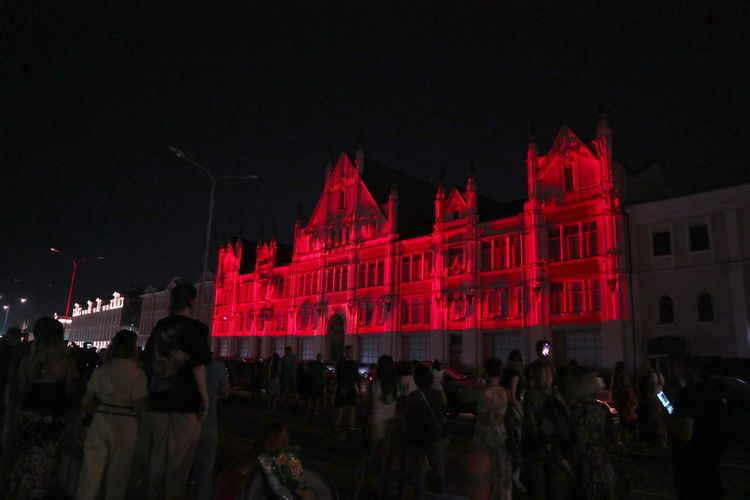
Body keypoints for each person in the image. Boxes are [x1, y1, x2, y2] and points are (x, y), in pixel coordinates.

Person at [143, 283, 211, 500]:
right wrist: (204, 398)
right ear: (192, 302)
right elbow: (198, 366)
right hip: (185, 401)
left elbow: (148, 360)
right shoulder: (197, 329)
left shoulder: (161, 326)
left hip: (158, 398)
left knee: (157, 454)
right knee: (179, 459)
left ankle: (153, 494)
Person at [6, 316, 76, 499]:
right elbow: (70, 391)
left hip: (29, 419)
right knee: (46, 468)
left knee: (24, 463)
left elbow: (21, 389)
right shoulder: (66, 362)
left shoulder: (27, 360)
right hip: (52, 422)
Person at [76, 329, 148, 500]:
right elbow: (139, 406)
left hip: (101, 418)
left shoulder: (102, 370)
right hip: (125, 421)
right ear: (133, 348)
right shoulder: (137, 373)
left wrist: (100, 414)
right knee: (119, 473)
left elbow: (86, 401)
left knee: (90, 472)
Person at [666, 351, 725, 500]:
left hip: (691, 465)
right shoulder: (713, 390)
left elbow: (685, 433)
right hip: (712, 461)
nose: (674, 374)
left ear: (685, 368)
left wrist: (667, 421)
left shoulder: (687, 395)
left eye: (675, 369)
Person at [521, 359, 571, 500]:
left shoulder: (531, 395)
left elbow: (530, 425)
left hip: (536, 449)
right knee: (555, 488)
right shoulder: (557, 394)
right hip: (556, 448)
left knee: (537, 490)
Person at [566, 367, 618, 500]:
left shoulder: (579, 411)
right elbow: (612, 436)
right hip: (604, 464)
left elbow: (578, 442)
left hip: (586, 468)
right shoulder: (601, 409)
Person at [189, 352, 230, 500]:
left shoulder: (185, 365)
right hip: (209, 422)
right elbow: (225, 392)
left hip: (185, 422)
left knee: (180, 468)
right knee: (205, 470)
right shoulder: (218, 367)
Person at [404, 363, 446, 499]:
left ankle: (420, 496)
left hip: (417, 438)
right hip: (435, 435)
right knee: (439, 471)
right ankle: (442, 495)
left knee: (418, 472)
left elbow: (408, 419)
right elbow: (443, 412)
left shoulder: (412, 397)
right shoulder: (438, 395)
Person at [473, 357, 512, 499]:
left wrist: (477, 377)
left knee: (483, 474)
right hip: (501, 435)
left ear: (485, 372)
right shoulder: (505, 392)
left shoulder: (479, 392)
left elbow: (464, 395)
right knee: (501, 472)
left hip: (483, 436)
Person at [369, 355, 399, 495]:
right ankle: (387, 488)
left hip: (377, 422)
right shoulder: (396, 386)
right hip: (390, 423)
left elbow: (369, 405)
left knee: (373, 456)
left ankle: (376, 487)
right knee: (388, 458)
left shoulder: (376, 385)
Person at [502, 350, 525, 492]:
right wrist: (521, 412)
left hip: (505, 410)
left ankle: (509, 475)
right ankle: (515, 477)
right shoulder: (515, 375)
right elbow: (513, 395)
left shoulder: (505, 373)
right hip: (513, 412)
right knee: (518, 442)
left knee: (510, 443)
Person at [611, 361, 638, 447]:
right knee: (629, 428)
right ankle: (629, 443)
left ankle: (622, 443)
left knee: (621, 427)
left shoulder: (614, 382)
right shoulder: (626, 383)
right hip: (628, 410)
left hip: (619, 409)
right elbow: (633, 399)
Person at [334, 345, 358, 433]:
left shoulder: (354, 363)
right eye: (349, 351)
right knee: (341, 407)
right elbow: (339, 376)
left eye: (351, 351)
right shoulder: (341, 363)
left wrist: (358, 388)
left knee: (352, 407)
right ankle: (337, 425)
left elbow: (356, 377)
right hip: (342, 387)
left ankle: (351, 425)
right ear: (345, 352)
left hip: (351, 388)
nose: (350, 353)